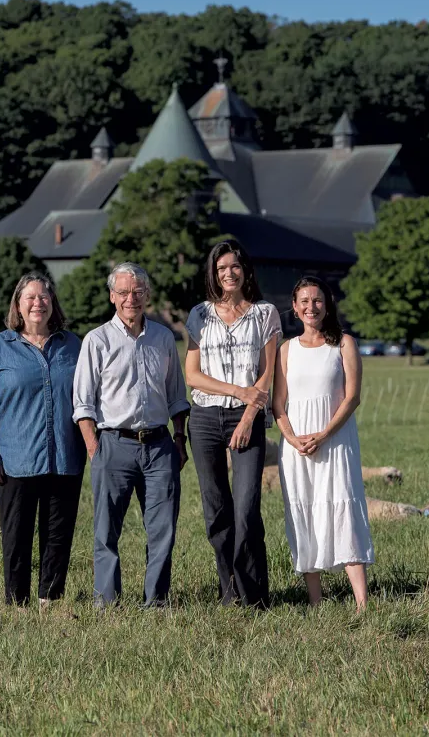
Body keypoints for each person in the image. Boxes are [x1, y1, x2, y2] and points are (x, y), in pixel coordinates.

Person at [73, 262, 190, 609]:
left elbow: (177, 395)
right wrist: (94, 446)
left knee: (162, 530)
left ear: (147, 295)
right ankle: (107, 601)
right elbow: (82, 403)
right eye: (123, 292)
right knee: (106, 530)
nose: (131, 298)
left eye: (137, 291)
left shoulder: (163, 338)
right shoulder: (97, 340)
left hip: (159, 446)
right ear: (112, 296)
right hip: (113, 444)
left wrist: (180, 439)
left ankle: (156, 601)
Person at [0, 273, 84, 609]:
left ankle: (49, 599)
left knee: (58, 534)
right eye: (30, 298)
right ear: (18, 305)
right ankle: (17, 602)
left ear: (53, 303)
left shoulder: (73, 345)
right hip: (15, 459)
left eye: (44, 296)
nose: (38, 303)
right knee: (16, 534)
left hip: (65, 456)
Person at [184, 239, 281, 608]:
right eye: (221, 268)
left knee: (246, 509)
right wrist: (237, 391)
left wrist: (247, 415)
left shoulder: (265, 314)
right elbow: (192, 375)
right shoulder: (199, 315)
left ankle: (255, 595)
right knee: (216, 510)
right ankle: (230, 594)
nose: (229, 273)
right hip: (206, 419)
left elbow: (267, 375)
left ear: (245, 270)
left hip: (248, 421)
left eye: (234, 267)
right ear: (213, 272)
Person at [272, 276, 374, 612]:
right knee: (304, 512)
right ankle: (316, 600)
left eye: (317, 300)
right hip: (297, 448)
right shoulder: (286, 349)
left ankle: (362, 601)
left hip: (335, 441)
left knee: (342, 507)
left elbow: (352, 397)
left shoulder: (344, 344)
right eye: (304, 301)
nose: (310, 307)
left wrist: (324, 434)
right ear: (295, 307)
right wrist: (292, 438)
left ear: (326, 305)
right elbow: (278, 404)